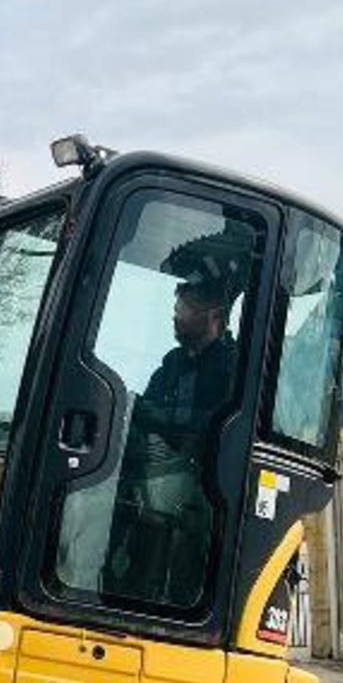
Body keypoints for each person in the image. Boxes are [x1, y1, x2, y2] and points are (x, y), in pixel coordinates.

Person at [104, 251, 242, 606]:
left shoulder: (232, 370)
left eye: (184, 310)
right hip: (154, 469)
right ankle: (115, 583)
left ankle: (150, 589)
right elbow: (144, 409)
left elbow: (218, 424)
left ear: (214, 316)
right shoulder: (172, 363)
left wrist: (158, 419)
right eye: (176, 309)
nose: (176, 316)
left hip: (200, 477)